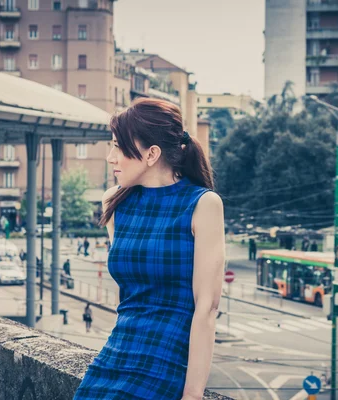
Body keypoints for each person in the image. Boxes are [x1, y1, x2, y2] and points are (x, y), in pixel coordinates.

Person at [74, 98, 225, 400]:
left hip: (165, 364)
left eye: (118, 147)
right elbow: (132, 294)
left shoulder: (203, 204)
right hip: (113, 358)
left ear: (152, 153)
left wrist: (192, 395)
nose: (110, 157)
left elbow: (206, 308)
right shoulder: (115, 202)